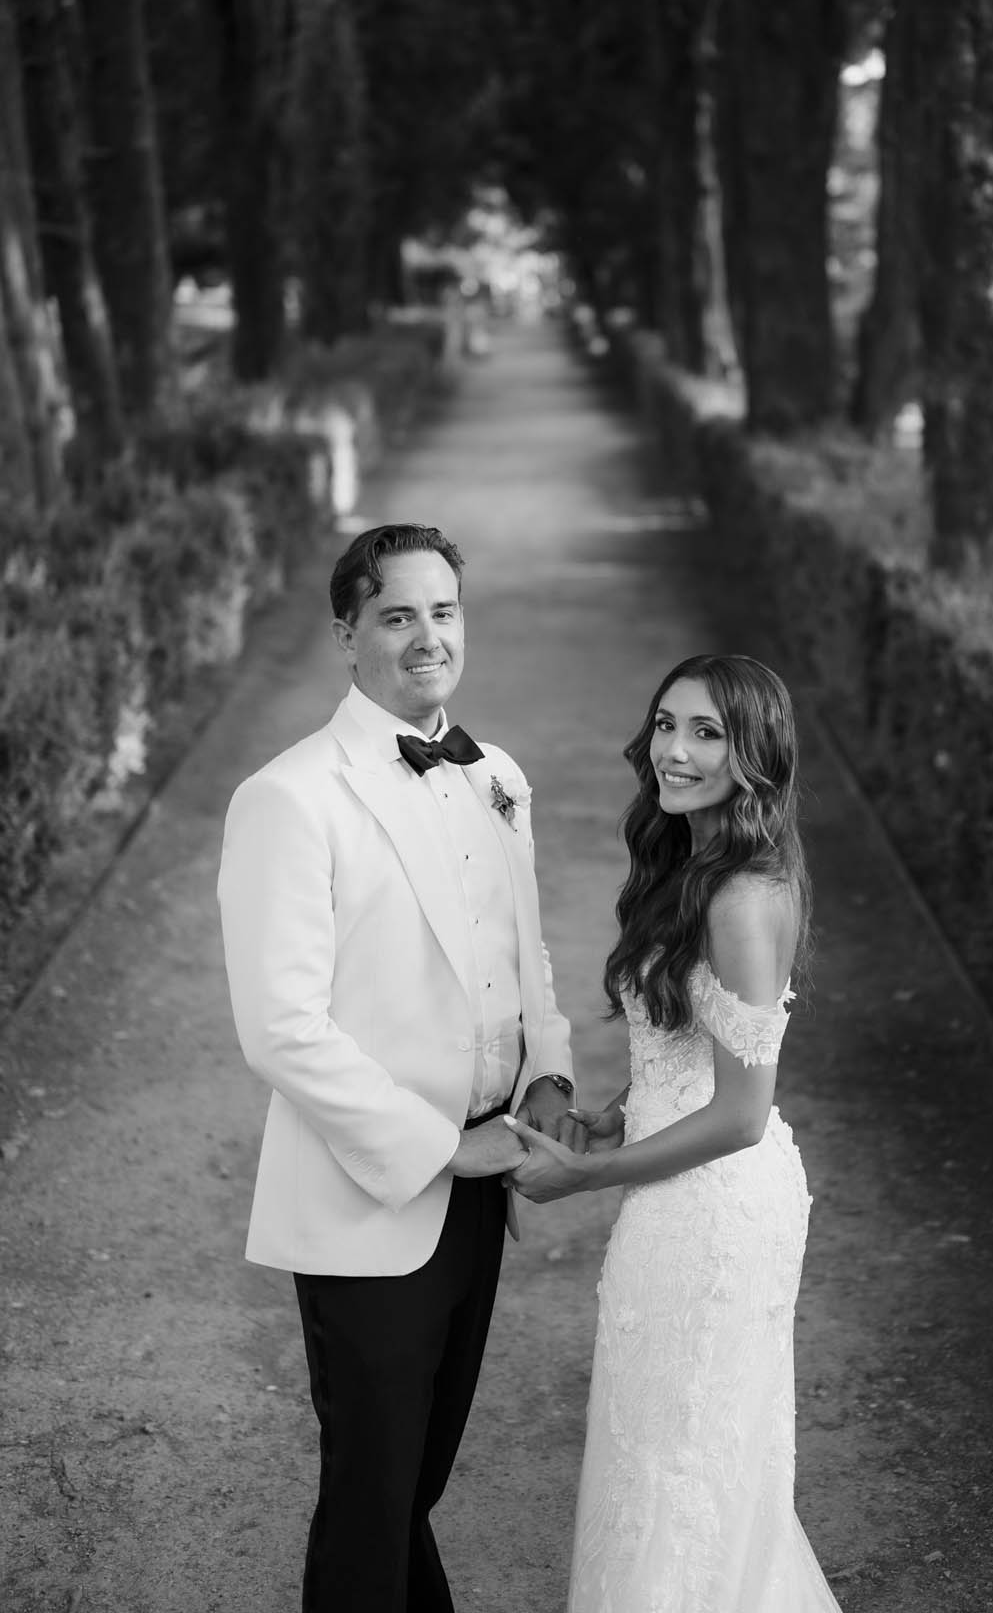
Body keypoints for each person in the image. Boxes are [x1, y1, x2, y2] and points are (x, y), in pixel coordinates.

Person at [218, 522, 576, 1613]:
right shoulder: (290, 796)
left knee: (412, 1480)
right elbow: (280, 1026)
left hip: (483, 1180)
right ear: (347, 634)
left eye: (444, 611)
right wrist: (441, 1148)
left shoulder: (496, 774)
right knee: (371, 1494)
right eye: (398, 615)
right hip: (371, 1190)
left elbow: (525, 951)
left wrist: (548, 1076)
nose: (429, 636)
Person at [506, 653, 841, 1612]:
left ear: (753, 756)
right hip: (676, 1194)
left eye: (706, 733)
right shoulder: (694, 865)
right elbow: (688, 1043)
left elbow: (740, 1112)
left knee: (680, 1467)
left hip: (714, 1215)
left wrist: (586, 1175)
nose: (676, 751)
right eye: (666, 724)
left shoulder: (742, 899)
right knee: (658, 1456)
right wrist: (623, 1108)